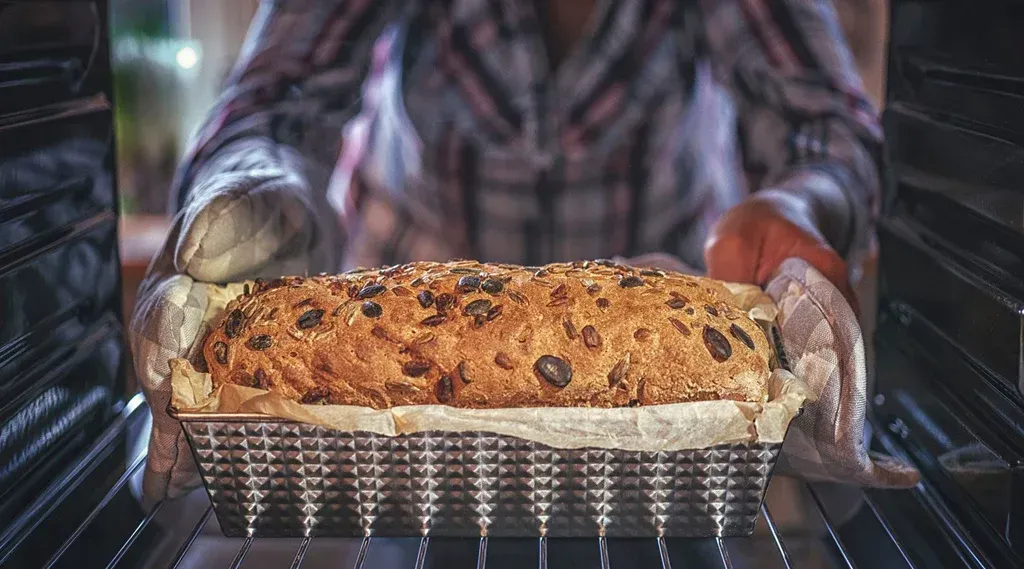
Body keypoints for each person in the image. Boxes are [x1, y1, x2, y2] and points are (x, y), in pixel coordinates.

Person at [132, 0, 882, 501]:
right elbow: (274, 98)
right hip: (400, 397)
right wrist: (254, 188)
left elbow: (826, 122)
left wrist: (799, 202)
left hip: (673, 384)